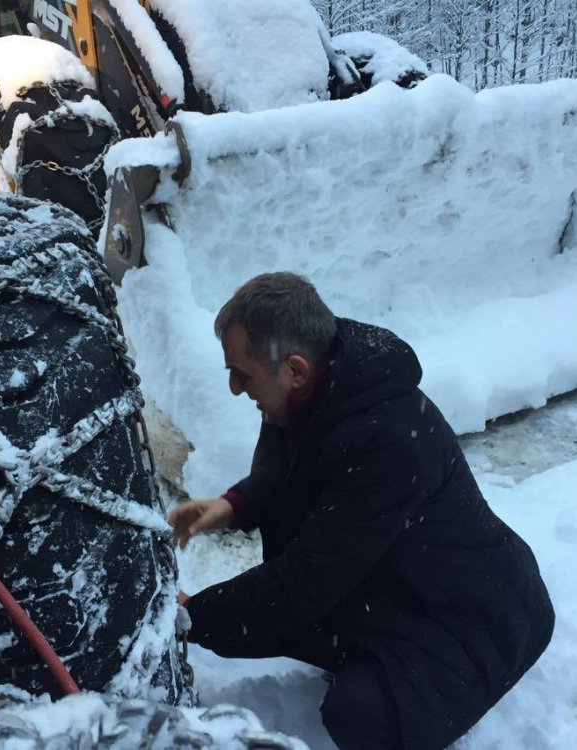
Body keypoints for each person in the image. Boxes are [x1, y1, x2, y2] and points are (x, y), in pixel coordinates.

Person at [169, 272, 554, 749]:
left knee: (360, 714)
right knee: (279, 616)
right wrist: (232, 506)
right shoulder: (309, 389)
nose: (233, 387)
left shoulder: (385, 443)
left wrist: (191, 617)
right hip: (393, 582)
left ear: (295, 369)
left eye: (241, 373)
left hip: (473, 617)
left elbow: (305, 582)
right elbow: (281, 478)